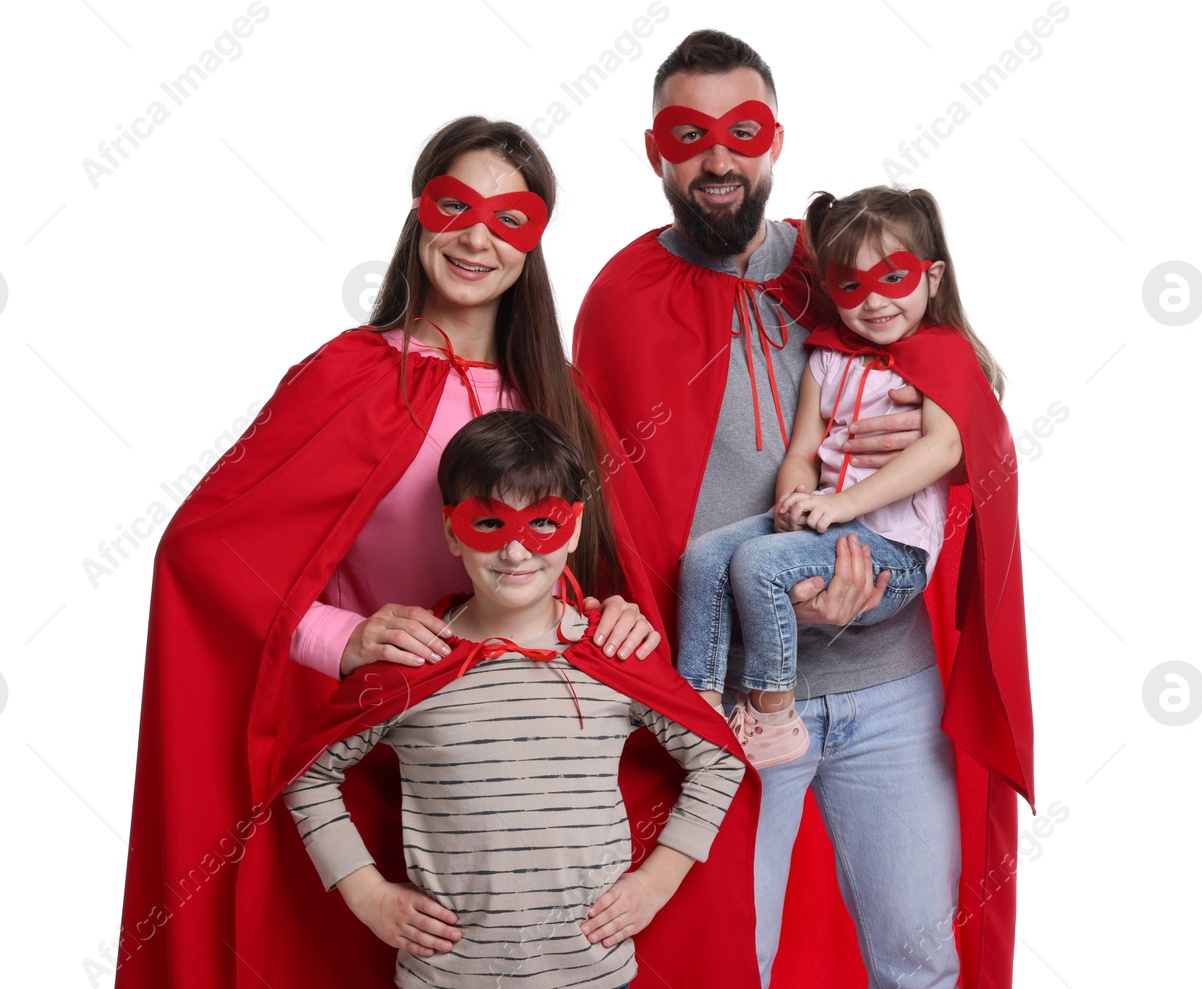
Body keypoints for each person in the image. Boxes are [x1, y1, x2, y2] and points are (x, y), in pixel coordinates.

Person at [113, 117, 733, 989]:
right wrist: (345, 637)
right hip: (375, 752)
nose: (478, 237)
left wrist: (618, 612)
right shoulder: (352, 375)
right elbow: (204, 550)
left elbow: (591, 566)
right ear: (420, 214)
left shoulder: (557, 396)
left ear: (536, 242)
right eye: (456, 206)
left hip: (523, 768)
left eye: (509, 219)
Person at [573, 30, 1034, 989]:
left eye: (743, 131)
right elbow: (608, 503)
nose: (719, 157)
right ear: (656, 149)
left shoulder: (838, 261)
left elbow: (965, 396)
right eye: (689, 133)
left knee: (917, 956)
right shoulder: (621, 296)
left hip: (891, 688)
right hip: (741, 706)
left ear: (776, 141)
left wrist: (927, 421)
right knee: (726, 957)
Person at [280, 410, 753, 989]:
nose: (515, 552)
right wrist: (366, 892)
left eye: (542, 524)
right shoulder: (414, 660)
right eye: (489, 524)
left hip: (593, 976)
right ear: (452, 531)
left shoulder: (610, 649)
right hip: (444, 978)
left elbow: (719, 757)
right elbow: (308, 774)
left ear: (575, 529)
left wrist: (656, 882)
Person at [674, 185, 1005, 770]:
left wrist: (844, 504)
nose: (874, 301)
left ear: (932, 278)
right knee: (703, 558)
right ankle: (695, 709)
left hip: (891, 552)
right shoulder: (826, 357)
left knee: (757, 565)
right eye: (852, 286)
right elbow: (802, 451)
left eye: (893, 279)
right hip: (825, 528)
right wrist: (793, 501)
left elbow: (942, 446)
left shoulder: (945, 357)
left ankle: (771, 716)